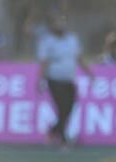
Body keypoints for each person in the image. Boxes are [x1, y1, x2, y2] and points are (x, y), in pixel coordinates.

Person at [37, 13, 94, 148]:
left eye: (63, 22)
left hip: (69, 79)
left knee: (70, 108)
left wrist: (90, 73)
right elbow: (44, 62)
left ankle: (52, 132)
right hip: (54, 79)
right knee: (62, 107)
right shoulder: (47, 41)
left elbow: (79, 58)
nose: (61, 25)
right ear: (52, 25)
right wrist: (41, 80)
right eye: (57, 22)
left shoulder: (72, 39)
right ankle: (63, 139)